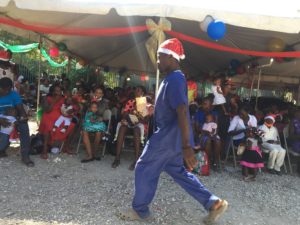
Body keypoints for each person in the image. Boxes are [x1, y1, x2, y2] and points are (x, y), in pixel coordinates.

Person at [117, 38, 228, 224]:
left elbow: (183, 110)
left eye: (160, 57)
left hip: (168, 135)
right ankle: (213, 203)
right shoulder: (172, 78)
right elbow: (174, 107)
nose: (158, 61)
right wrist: (154, 108)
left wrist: (186, 146)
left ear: (170, 56)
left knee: (144, 166)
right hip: (173, 135)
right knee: (177, 171)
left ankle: (140, 210)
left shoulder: (175, 78)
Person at [112, 86, 148, 170]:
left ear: (142, 93)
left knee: (136, 130)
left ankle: (136, 160)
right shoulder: (130, 101)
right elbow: (124, 113)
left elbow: (146, 119)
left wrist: (139, 112)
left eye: (138, 90)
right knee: (122, 128)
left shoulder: (145, 103)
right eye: (136, 90)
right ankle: (117, 158)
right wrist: (129, 114)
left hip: (139, 125)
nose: (136, 92)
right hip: (129, 123)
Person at [0, 77, 34, 166]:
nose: (7, 92)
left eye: (9, 90)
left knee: (24, 126)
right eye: (4, 90)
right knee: (3, 142)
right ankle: (2, 148)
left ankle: (25, 156)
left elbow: (20, 109)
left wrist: (23, 117)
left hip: (11, 118)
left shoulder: (13, 94)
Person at [39, 85, 74, 159]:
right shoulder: (46, 98)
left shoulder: (64, 98)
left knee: (71, 125)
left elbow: (71, 105)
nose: (58, 93)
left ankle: (66, 146)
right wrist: (54, 101)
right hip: (48, 116)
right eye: (56, 91)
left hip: (60, 117)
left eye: (59, 91)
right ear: (52, 91)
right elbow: (47, 110)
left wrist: (70, 110)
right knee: (48, 126)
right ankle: (44, 149)